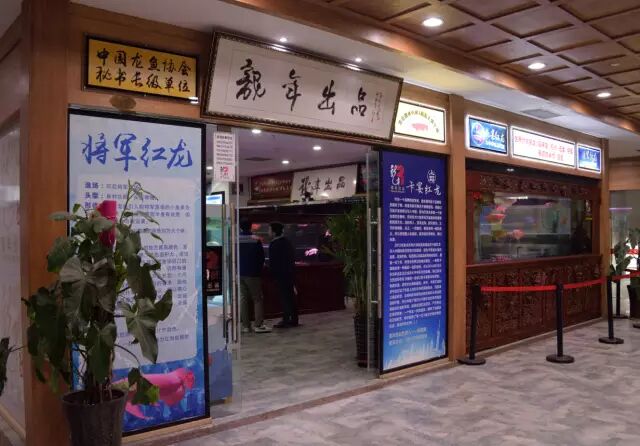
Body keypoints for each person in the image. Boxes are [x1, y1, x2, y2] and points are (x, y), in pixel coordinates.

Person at [239, 220, 271, 333]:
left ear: (240, 227)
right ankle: (258, 325)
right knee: (257, 298)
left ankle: (246, 326)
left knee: (243, 298)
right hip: (253, 273)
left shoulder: (236, 239)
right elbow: (261, 257)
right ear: (251, 227)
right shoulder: (256, 240)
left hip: (239, 273)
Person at [268, 222, 299, 328]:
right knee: (290, 297)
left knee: (285, 297)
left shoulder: (274, 244)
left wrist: (273, 274)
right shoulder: (287, 242)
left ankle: (286, 320)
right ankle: (294, 319)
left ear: (274, 232)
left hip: (280, 275)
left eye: (269, 230)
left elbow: (273, 262)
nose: (268, 232)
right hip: (289, 273)